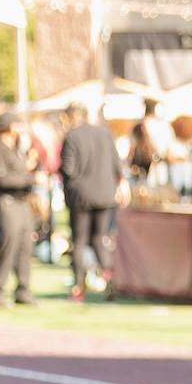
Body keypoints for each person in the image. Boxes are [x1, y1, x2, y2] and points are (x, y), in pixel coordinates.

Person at [58, 102, 123, 300]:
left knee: (79, 240)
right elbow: (117, 165)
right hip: (104, 194)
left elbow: (68, 168)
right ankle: (110, 278)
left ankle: (78, 287)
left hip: (80, 196)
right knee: (99, 239)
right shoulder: (105, 134)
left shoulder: (72, 136)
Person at [0, 113, 39, 307]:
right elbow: (2, 179)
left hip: (21, 202)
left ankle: (23, 289)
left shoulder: (15, 150)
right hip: (6, 202)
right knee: (9, 246)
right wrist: (29, 178)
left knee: (25, 247)